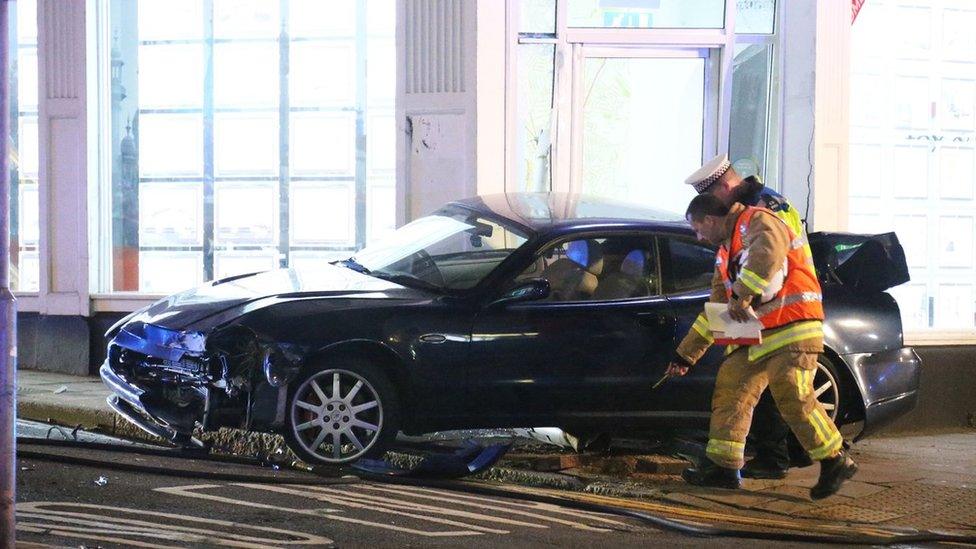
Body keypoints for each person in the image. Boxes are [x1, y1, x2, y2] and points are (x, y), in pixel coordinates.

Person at [667, 193, 856, 500]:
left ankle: (835, 459)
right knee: (731, 388)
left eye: (698, 228)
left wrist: (742, 293)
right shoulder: (724, 253)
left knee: (793, 394)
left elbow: (767, 254)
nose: (698, 236)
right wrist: (686, 354)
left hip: (792, 326)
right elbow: (717, 311)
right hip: (758, 336)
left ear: (711, 220)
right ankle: (723, 468)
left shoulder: (758, 221)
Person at [683, 154, 814, 480]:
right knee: (742, 390)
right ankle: (737, 466)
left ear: (726, 186)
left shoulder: (765, 209)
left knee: (769, 393)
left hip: (780, 312)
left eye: (714, 198)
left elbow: (771, 261)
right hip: (761, 313)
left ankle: (777, 458)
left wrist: (743, 297)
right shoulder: (742, 215)